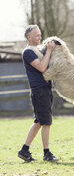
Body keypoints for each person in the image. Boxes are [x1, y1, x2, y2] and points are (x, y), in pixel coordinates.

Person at [18, 24, 59, 162]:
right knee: (46, 122)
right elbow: (42, 68)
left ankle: (24, 151)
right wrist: (48, 51)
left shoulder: (37, 50)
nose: (40, 37)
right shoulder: (28, 52)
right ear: (29, 37)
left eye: (40, 34)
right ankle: (47, 153)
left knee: (39, 122)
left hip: (44, 89)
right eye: (37, 35)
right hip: (39, 90)